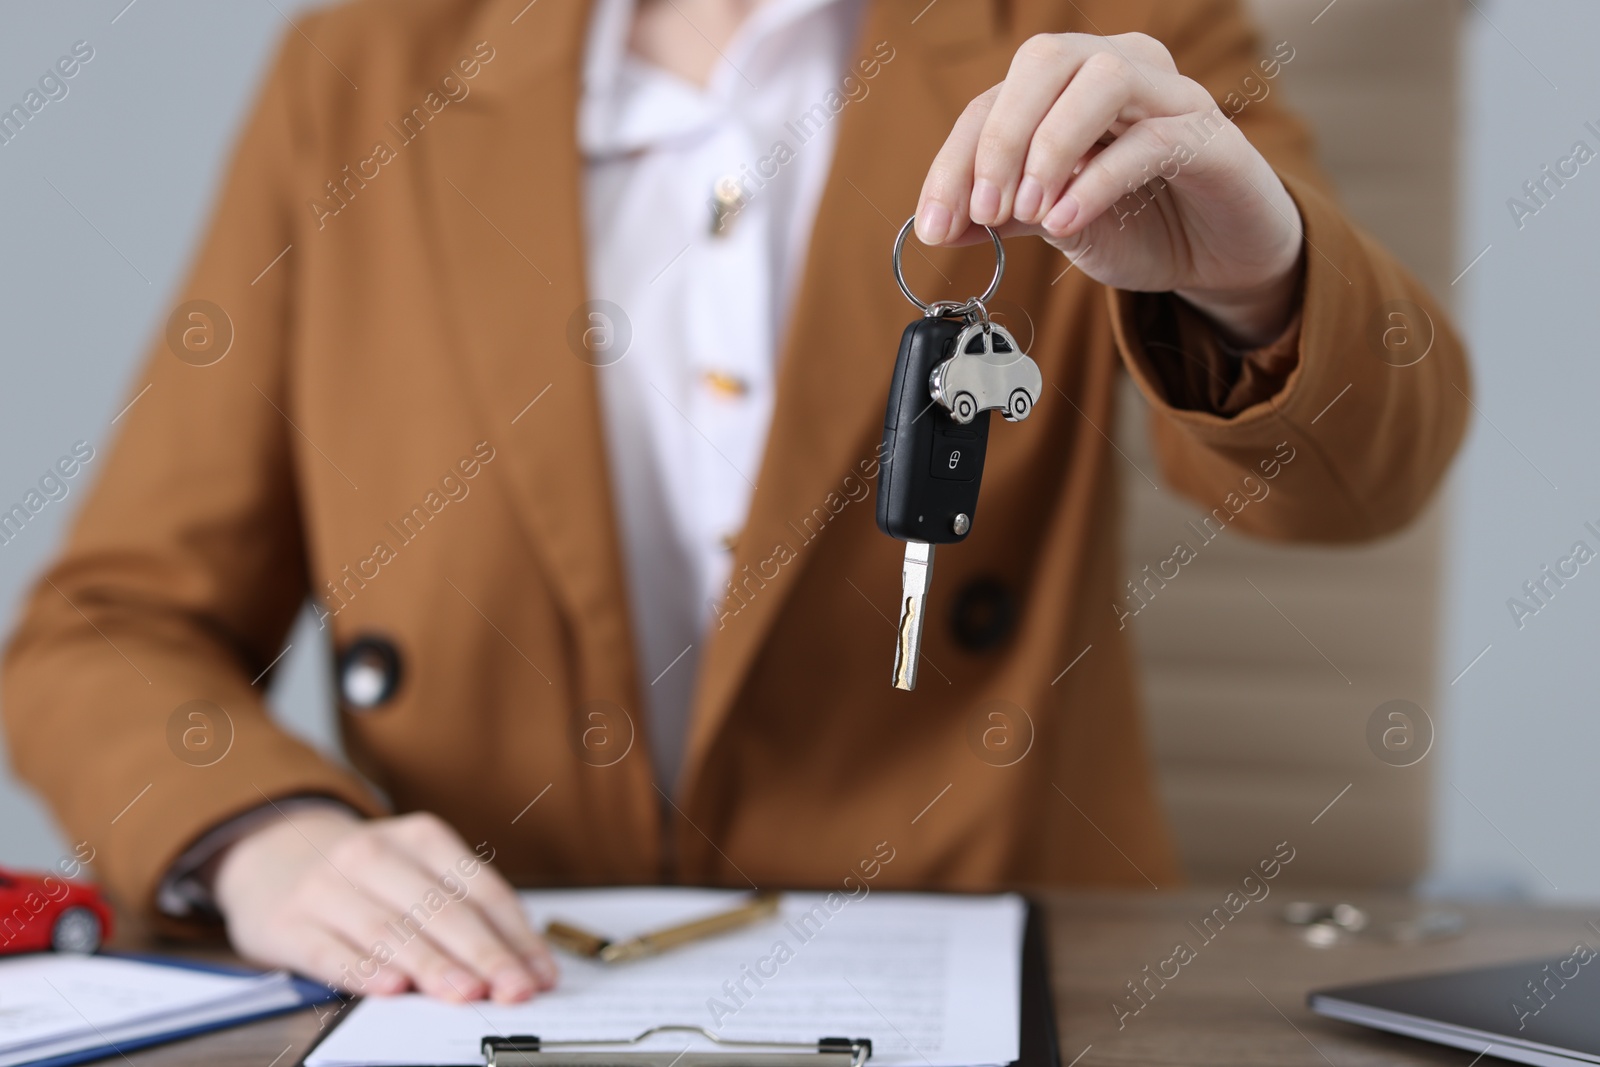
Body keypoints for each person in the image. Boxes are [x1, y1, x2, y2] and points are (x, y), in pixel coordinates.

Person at [3, 0, 1467, 1006]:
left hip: (1022, 966)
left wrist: (1253, 272)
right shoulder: (360, 76)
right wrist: (269, 841)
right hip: (495, 984)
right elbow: (105, 632)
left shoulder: (1080, 29)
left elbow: (1369, 473)